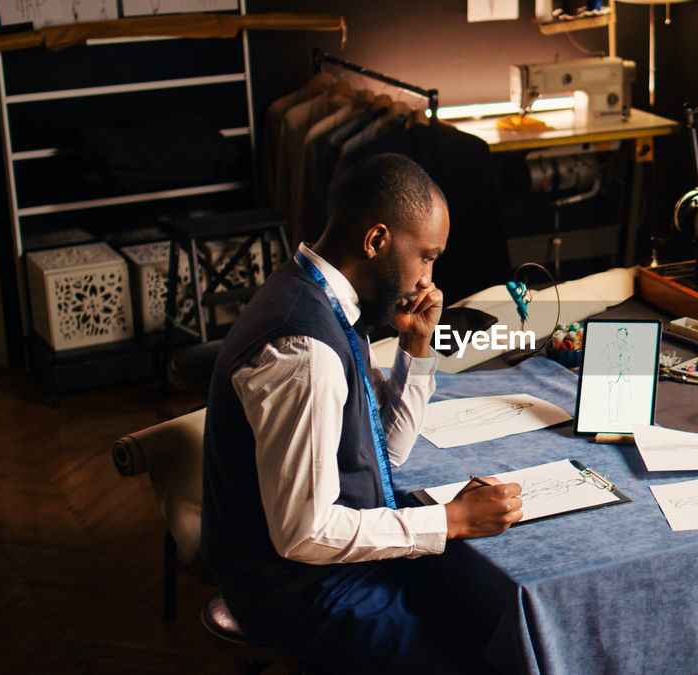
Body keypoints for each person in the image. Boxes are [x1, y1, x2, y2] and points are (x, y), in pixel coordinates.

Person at [201, 153, 523, 672]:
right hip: (294, 590)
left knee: (487, 613)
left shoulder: (325, 299)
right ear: (375, 242)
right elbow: (304, 533)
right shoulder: (306, 352)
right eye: (426, 257)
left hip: (326, 565)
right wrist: (450, 519)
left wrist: (415, 350)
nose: (428, 282)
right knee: (484, 655)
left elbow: (381, 451)